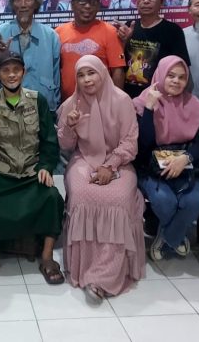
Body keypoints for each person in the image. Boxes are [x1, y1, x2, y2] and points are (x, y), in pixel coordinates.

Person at [0, 52, 64, 285]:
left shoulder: (37, 100)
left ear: (24, 72)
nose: (11, 75)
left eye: (16, 70)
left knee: (52, 197)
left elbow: (49, 139)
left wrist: (46, 166)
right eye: (5, 70)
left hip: (31, 171)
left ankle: (47, 257)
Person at [57, 55, 145, 302]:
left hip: (120, 161)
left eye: (91, 73)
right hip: (84, 159)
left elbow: (130, 142)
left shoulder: (122, 100)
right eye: (81, 75)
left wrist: (110, 165)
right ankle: (84, 268)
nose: (87, 80)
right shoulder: (72, 104)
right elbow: (65, 146)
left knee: (117, 199)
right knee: (82, 194)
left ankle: (105, 275)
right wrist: (70, 126)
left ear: (103, 73)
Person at [132, 56, 199, 261]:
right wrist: (149, 109)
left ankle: (167, 238)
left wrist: (185, 158)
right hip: (151, 167)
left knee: (194, 201)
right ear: (160, 75)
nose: (176, 81)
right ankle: (177, 237)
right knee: (164, 201)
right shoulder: (141, 102)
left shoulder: (194, 105)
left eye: (182, 77)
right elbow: (143, 144)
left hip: (185, 165)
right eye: (171, 75)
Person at [0, 0, 61, 113]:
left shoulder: (51, 36)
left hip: (42, 109)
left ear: (36, 3)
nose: (23, 4)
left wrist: (54, 109)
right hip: (7, 109)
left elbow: (56, 77)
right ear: (12, 3)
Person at [117, 0, 190, 98]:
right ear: (136, 0)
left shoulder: (173, 31)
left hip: (159, 98)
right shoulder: (129, 26)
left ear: (162, 1)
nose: (146, 1)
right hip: (128, 97)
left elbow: (182, 68)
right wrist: (123, 42)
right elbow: (118, 61)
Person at [55, 0, 126, 97]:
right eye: (82, 2)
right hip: (67, 102)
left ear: (98, 6)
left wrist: (115, 101)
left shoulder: (110, 32)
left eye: (93, 2)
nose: (88, 6)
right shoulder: (58, 32)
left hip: (101, 101)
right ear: (72, 5)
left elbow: (118, 70)